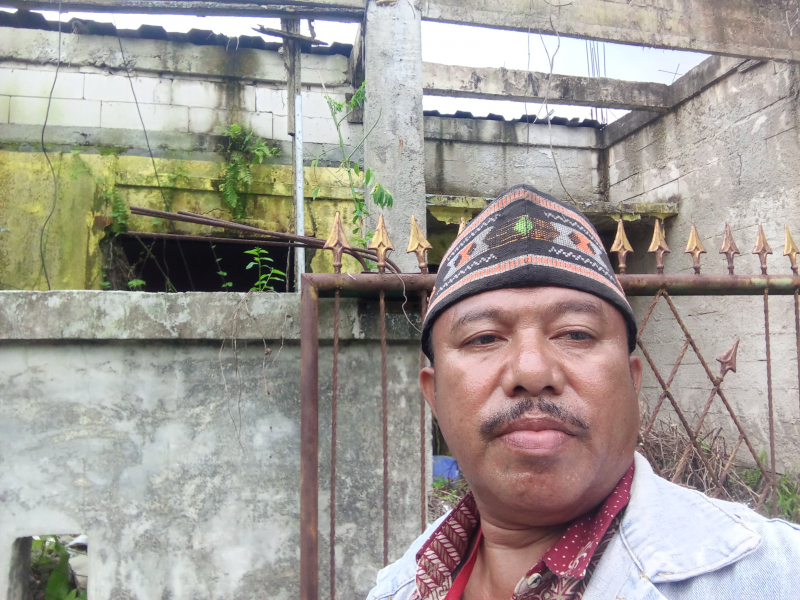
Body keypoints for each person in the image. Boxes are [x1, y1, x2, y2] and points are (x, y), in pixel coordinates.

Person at [366, 184, 800, 600]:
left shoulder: (774, 576)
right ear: (434, 394)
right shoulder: (396, 589)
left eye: (576, 333)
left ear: (632, 379)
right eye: (484, 338)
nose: (532, 371)